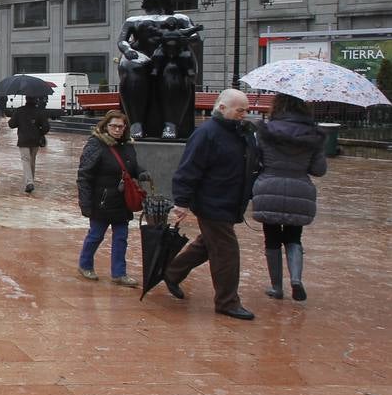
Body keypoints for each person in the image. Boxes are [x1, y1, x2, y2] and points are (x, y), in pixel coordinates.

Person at [164, 89, 260, 320]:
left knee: (207, 245)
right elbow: (188, 170)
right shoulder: (206, 133)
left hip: (231, 201)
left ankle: (170, 273)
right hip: (211, 202)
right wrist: (182, 203)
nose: (244, 115)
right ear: (222, 108)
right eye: (240, 110)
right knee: (227, 252)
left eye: (246, 111)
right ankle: (227, 301)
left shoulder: (241, 132)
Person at [251, 93, 327, 302]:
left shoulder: (265, 131)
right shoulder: (313, 135)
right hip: (299, 192)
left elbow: (254, 162)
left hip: (268, 188)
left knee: (272, 238)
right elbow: (319, 170)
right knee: (294, 237)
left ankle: (277, 288)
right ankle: (295, 279)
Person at [116, 0, 204, 140]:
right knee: (131, 68)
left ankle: (171, 124)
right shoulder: (133, 20)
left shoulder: (181, 18)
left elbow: (195, 37)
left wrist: (178, 40)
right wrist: (129, 51)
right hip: (140, 55)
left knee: (173, 70)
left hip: (171, 56)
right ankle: (136, 123)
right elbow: (122, 41)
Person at [76, 110, 151, 285]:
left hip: (121, 200)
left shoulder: (127, 145)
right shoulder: (95, 145)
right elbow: (84, 176)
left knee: (121, 237)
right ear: (105, 126)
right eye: (113, 126)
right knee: (96, 235)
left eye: (120, 126)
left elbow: (131, 166)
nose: (117, 129)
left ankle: (119, 273)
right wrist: (85, 203)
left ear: (125, 128)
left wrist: (141, 173)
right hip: (101, 200)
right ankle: (85, 264)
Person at [8, 95, 50, 193]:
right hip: (35, 140)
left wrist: (15, 116)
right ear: (35, 100)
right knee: (32, 160)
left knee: (25, 160)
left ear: (26, 99)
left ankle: (29, 182)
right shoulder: (39, 111)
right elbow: (46, 127)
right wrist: (40, 132)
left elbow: (11, 124)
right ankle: (30, 181)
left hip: (23, 140)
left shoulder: (19, 111)